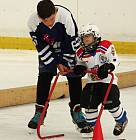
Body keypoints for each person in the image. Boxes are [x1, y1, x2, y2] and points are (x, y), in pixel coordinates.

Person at [27, 0, 86, 130]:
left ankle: (76, 110)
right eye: (45, 21)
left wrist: (63, 62)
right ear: (39, 17)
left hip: (67, 48)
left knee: (74, 76)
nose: (49, 23)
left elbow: (71, 42)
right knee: (44, 75)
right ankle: (40, 111)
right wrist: (54, 63)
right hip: (49, 49)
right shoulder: (32, 22)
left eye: (51, 19)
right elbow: (41, 47)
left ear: (55, 12)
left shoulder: (65, 16)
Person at [73, 24, 128, 136]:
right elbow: (80, 63)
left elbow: (115, 61)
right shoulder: (80, 52)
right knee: (88, 102)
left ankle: (121, 120)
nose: (86, 39)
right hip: (92, 82)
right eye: (83, 37)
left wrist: (108, 67)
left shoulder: (106, 46)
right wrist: (80, 67)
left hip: (108, 81)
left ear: (96, 36)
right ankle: (92, 125)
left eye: (88, 36)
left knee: (111, 103)